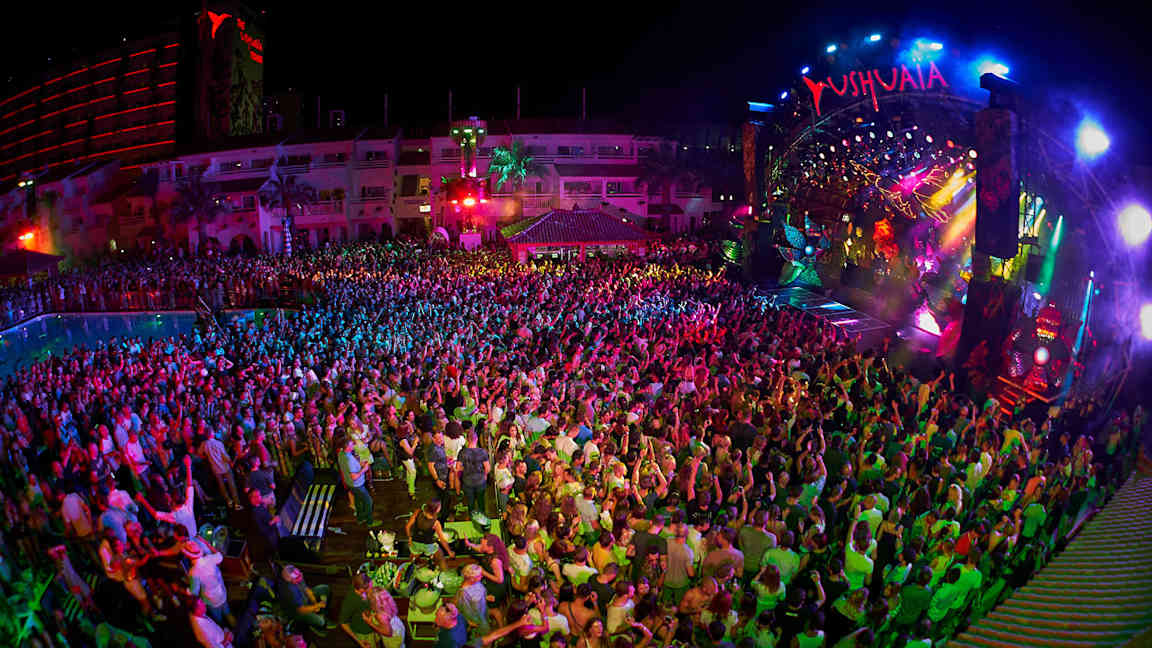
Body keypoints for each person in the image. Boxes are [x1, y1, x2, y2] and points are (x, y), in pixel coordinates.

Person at [278, 564, 331, 634]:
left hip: (304, 600)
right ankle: (313, 624)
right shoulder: (288, 591)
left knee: (324, 588)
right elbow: (301, 609)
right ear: (289, 580)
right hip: (297, 611)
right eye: (297, 578)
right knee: (321, 622)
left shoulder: (297, 576)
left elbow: (307, 590)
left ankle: (320, 614)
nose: (300, 578)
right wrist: (316, 606)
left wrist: (315, 603)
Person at [338, 434, 378, 527]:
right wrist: (364, 469)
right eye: (351, 444)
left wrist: (359, 464)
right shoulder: (349, 460)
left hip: (349, 483)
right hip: (357, 485)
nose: (353, 444)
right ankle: (369, 522)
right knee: (369, 501)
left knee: (358, 501)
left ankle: (360, 519)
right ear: (347, 447)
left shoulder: (341, 454)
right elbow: (354, 476)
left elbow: (348, 468)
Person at [406, 499, 457, 569]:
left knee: (414, 557)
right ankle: (436, 565)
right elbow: (442, 539)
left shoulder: (417, 512)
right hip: (428, 545)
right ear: (436, 510)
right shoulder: (436, 523)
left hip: (415, 542)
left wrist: (409, 537)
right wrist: (450, 552)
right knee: (440, 557)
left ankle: (414, 565)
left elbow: (407, 526)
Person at [338, 573, 377, 648]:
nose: (372, 589)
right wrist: (359, 641)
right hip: (364, 633)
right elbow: (343, 623)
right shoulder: (351, 601)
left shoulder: (359, 588)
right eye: (370, 587)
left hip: (372, 627)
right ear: (361, 589)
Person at [458, 431, 491, 515]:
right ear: (476, 439)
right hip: (480, 481)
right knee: (481, 502)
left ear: (467, 439)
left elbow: (458, 468)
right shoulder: (482, 452)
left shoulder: (462, 452)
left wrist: (465, 469)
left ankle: (472, 517)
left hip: (467, 482)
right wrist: (485, 475)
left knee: (470, 503)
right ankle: (482, 517)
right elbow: (488, 468)